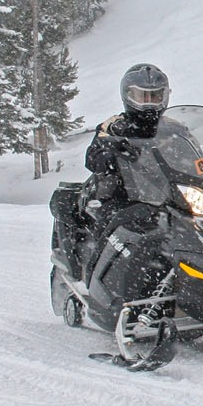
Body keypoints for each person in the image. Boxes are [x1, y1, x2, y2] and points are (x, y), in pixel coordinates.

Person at [73, 64, 171, 268]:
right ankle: (96, 276)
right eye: (143, 96)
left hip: (168, 196)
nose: (149, 103)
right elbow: (93, 157)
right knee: (113, 221)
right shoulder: (114, 125)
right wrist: (110, 152)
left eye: (155, 96)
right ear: (128, 96)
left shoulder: (175, 128)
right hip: (122, 194)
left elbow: (197, 150)